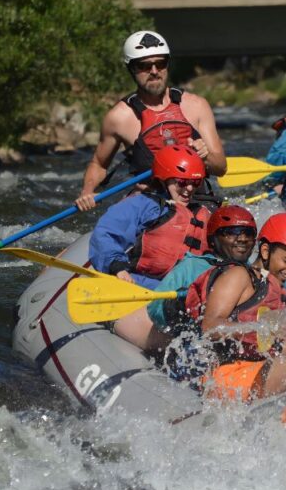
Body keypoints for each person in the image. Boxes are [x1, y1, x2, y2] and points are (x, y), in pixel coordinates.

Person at [191, 213, 286, 401]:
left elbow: (274, 350)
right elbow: (210, 326)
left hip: (255, 369)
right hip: (226, 375)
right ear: (266, 251)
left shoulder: (278, 293)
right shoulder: (239, 276)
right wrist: (257, 330)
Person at [76, 31, 226, 211]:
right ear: (132, 69)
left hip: (195, 200)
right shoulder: (119, 118)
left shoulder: (197, 106)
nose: (154, 72)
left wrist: (205, 156)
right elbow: (99, 164)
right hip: (149, 204)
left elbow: (221, 167)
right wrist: (87, 191)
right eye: (145, 66)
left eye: (160, 64)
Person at [89, 145, 210, 290]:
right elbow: (105, 234)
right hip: (141, 285)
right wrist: (118, 268)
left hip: (186, 292)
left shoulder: (203, 212)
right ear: (164, 179)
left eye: (195, 183)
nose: (189, 189)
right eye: (182, 182)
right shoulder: (142, 205)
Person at [146, 204, 258, 334]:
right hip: (190, 337)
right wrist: (177, 306)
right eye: (232, 232)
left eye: (249, 233)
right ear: (212, 239)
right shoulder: (191, 266)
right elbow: (154, 307)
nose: (243, 239)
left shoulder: (255, 275)